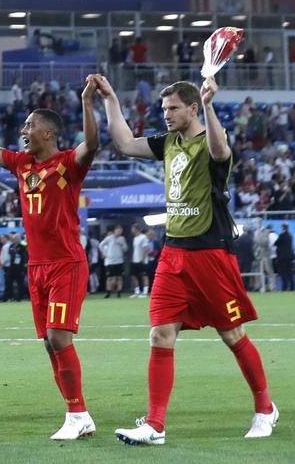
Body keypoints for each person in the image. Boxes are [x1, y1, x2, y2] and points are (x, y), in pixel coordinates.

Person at [97, 75, 278, 444]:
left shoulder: (209, 143)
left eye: (173, 108)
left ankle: (265, 409)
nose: (166, 114)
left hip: (210, 253)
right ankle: (155, 425)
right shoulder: (168, 142)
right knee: (160, 333)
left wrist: (211, 108)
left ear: (193, 108)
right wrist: (111, 98)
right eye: (164, 108)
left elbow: (220, 150)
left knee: (232, 334)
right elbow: (125, 143)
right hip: (173, 252)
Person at [0, 76, 99, 440]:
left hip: (66, 263)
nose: (23, 130)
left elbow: (93, 144)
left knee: (59, 338)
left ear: (48, 134)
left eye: (29, 125)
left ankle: (77, 413)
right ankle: (77, 413)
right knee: (49, 343)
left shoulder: (69, 164)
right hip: (36, 267)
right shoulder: (22, 165)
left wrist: (86, 101)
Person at [101, 225, 126, 297]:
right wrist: (104, 254)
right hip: (110, 261)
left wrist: (122, 244)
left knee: (119, 277)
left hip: (119, 261)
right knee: (109, 277)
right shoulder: (109, 238)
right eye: (118, 230)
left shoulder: (122, 238)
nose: (120, 232)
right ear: (115, 230)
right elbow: (101, 245)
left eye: (121, 231)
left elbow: (125, 249)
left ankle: (119, 293)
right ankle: (108, 293)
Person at [130, 224, 152, 297]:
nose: (132, 230)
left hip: (142, 261)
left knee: (144, 276)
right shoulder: (135, 238)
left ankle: (145, 293)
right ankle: (137, 292)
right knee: (134, 276)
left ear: (136, 229)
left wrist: (142, 258)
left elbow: (145, 249)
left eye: (132, 228)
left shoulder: (143, 237)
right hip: (135, 260)